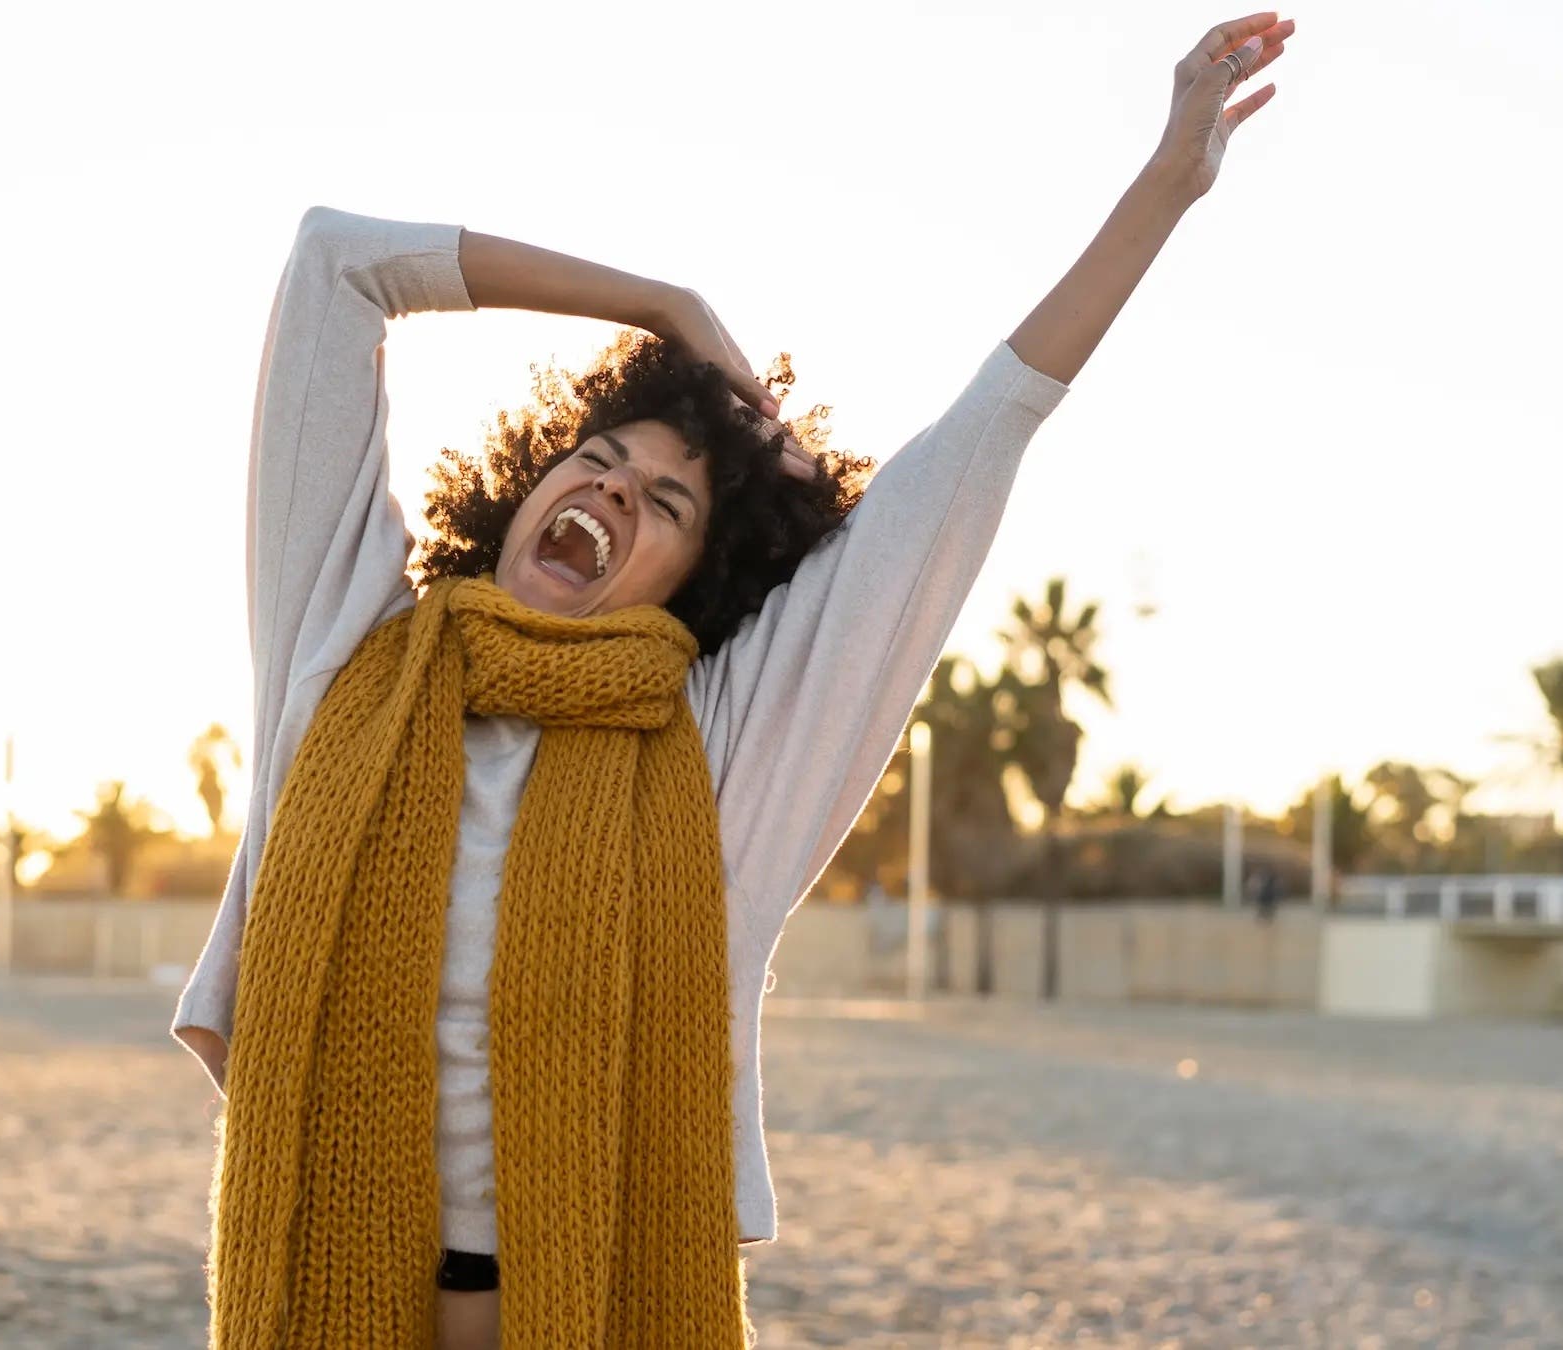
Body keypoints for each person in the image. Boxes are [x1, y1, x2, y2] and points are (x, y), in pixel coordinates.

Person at [170, 14, 1294, 1347]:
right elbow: (333, 264)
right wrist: (660, 305)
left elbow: (983, 436)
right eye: (598, 459)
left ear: (694, 585)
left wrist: (1165, 185)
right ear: (528, 482)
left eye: (666, 504)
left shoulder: (715, 754)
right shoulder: (348, 649)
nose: (613, 491)